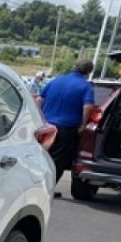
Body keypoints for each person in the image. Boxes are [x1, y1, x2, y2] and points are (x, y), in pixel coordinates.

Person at [37, 60, 95, 198]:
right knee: (58, 161)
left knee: (42, 157)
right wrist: (83, 124)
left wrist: (39, 118)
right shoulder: (86, 87)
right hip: (66, 128)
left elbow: (39, 100)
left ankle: (36, 187)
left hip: (46, 126)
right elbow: (87, 107)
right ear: (88, 72)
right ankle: (47, 189)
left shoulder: (56, 81)